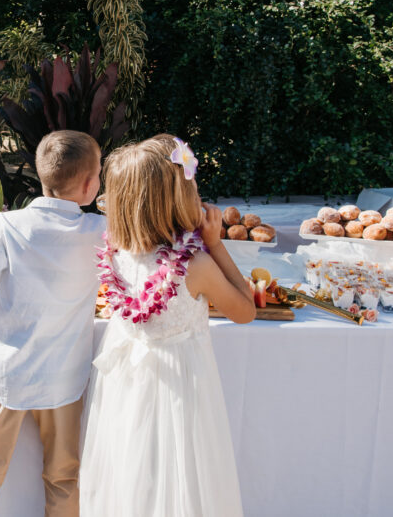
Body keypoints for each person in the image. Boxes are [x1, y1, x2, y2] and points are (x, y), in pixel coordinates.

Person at [0, 129, 106, 517]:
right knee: (63, 477)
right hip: (64, 376)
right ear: (90, 184)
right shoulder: (99, 232)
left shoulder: (8, 225)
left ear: (41, 176)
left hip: (8, 373)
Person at [79, 134, 255, 517]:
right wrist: (217, 243)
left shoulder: (115, 254)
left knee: (132, 472)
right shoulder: (196, 265)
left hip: (126, 388)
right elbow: (245, 310)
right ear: (177, 199)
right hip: (182, 388)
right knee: (183, 478)